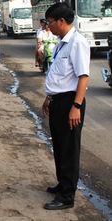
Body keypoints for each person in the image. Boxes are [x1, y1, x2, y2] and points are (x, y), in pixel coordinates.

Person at [41, 2, 90, 210]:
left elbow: (83, 77)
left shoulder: (77, 42)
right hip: (58, 101)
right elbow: (58, 75)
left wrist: (76, 106)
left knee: (69, 149)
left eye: (50, 22)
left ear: (61, 21)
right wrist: (49, 97)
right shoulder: (62, 42)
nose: (48, 26)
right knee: (60, 146)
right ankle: (63, 184)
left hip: (71, 101)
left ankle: (67, 196)